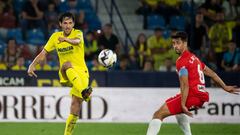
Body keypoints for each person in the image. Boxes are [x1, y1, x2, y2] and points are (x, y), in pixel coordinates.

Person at [146, 31, 240, 135]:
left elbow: (185, 85)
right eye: (173, 43)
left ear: (185, 43)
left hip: (192, 95)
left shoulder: (181, 61)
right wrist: (225, 86)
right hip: (200, 96)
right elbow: (212, 73)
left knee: (158, 114)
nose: (175, 46)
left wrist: (182, 104)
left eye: (178, 43)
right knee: (178, 113)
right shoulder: (195, 59)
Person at [27, 12, 92, 135]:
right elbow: (43, 53)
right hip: (65, 72)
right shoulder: (55, 37)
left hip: (82, 73)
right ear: (60, 24)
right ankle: (86, 93)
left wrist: (66, 39)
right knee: (67, 64)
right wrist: (32, 65)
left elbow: (77, 42)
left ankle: (67, 134)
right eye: (65, 23)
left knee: (75, 105)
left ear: (73, 24)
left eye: (70, 23)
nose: (68, 26)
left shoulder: (78, 33)